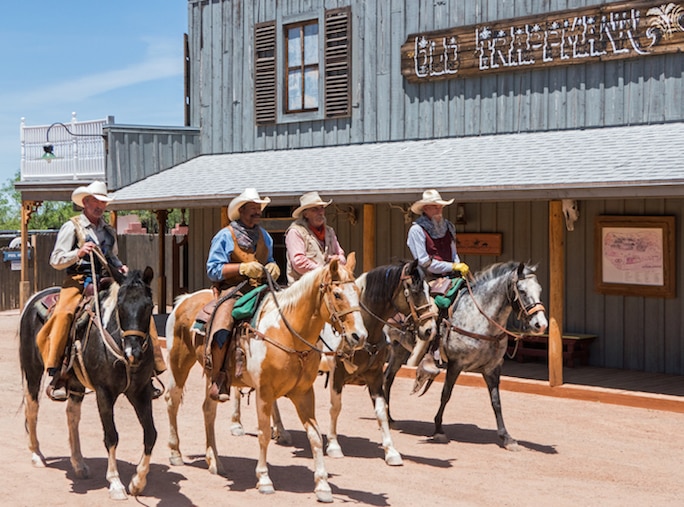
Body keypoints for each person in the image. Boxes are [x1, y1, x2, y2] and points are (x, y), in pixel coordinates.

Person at [35, 181, 167, 401]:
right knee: (64, 313)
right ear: (85, 202)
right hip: (78, 280)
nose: (100, 206)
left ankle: (151, 369)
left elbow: (112, 257)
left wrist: (120, 267)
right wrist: (78, 253)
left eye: (103, 202)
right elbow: (55, 259)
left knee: (138, 308)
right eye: (96, 201)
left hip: (107, 278)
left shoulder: (108, 230)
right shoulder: (73, 227)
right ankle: (58, 371)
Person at [205, 188, 280, 402]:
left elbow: (270, 259)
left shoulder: (264, 235)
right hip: (234, 290)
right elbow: (212, 269)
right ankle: (218, 378)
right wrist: (241, 269)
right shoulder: (225, 236)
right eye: (253, 208)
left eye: (259, 208)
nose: (258, 212)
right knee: (222, 326)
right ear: (241, 210)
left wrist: (273, 266)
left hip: (263, 288)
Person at [407, 189, 469, 374]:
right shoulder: (416, 230)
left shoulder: (449, 226)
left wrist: (457, 267)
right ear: (425, 208)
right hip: (427, 279)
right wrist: (452, 267)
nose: (439, 208)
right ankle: (430, 352)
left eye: (440, 205)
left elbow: (453, 253)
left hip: (450, 275)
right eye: (434, 206)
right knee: (433, 310)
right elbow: (425, 262)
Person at [285, 191, 346, 284]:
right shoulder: (296, 232)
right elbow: (298, 262)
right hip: (303, 289)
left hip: (327, 286)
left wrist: (335, 259)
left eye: (322, 208)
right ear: (305, 214)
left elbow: (341, 257)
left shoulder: (329, 232)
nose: (321, 212)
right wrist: (323, 270)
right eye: (315, 209)